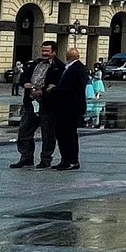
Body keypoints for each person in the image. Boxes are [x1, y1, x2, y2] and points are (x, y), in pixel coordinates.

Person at [11, 41, 64, 169]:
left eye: (47, 51)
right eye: (43, 50)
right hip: (31, 103)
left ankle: (46, 159)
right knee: (24, 131)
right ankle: (26, 157)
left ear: (54, 52)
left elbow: (59, 84)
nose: (44, 53)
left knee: (48, 134)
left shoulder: (59, 66)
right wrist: (25, 83)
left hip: (48, 105)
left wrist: (44, 91)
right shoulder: (35, 63)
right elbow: (24, 76)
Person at [51, 47, 89, 170]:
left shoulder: (74, 69)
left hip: (69, 107)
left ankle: (70, 160)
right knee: (67, 134)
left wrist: (53, 89)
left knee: (65, 134)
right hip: (74, 106)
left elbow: (67, 88)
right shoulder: (80, 67)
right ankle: (68, 160)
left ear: (68, 57)